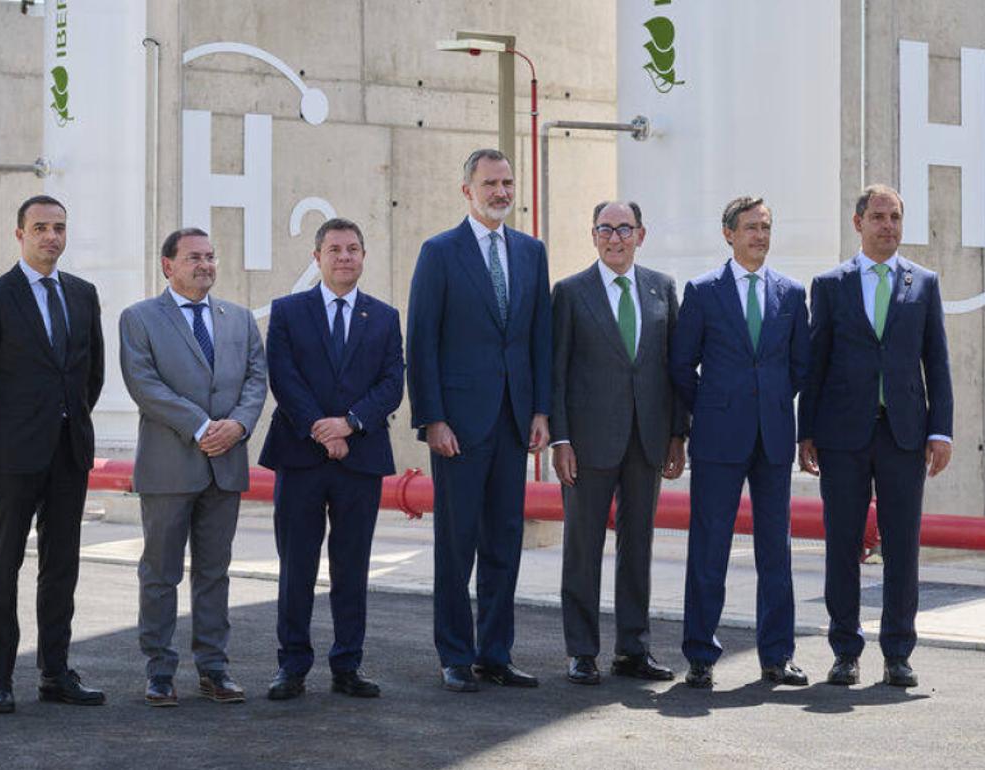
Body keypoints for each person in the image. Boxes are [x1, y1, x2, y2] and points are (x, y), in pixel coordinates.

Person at [407, 148, 552, 692]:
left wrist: (541, 410)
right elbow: (421, 341)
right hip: (459, 428)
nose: (501, 192)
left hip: (514, 420)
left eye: (507, 182)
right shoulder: (440, 252)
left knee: (504, 544)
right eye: (490, 183)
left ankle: (496, 653)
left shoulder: (531, 252)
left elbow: (540, 337)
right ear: (467, 190)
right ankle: (454, 654)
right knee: (456, 544)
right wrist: (432, 418)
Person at [798, 184, 953, 688]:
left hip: (904, 435)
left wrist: (941, 430)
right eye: (879, 217)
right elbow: (816, 363)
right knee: (843, 544)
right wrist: (806, 432)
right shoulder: (830, 285)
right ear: (858, 223)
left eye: (895, 218)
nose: (888, 226)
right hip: (842, 435)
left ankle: (898, 653)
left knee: (902, 547)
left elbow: (937, 363)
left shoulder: (923, 283)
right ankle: (845, 650)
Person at [0, 195, 105, 712]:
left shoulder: (83, 294)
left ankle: (55, 673)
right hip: (12, 456)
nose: (51, 236)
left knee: (61, 567)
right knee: (5, 565)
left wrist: (71, 421)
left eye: (59, 227)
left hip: (69, 452)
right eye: (40, 227)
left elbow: (91, 374)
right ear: (19, 234)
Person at [119, 227, 266, 706]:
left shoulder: (239, 319)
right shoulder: (139, 318)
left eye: (210, 256)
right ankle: (160, 671)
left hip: (226, 464)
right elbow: (144, 384)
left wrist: (238, 426)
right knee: (160, 574)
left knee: (214, 572)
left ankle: (214, 668)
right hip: (169, 467)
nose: (205, 265)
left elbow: (256, 380)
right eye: (193, 257)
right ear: (168, 265)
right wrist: (202, 426)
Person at [259, 218, 404, 701]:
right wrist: (321, 428)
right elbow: (283, 376)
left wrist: (350, 424)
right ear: (316, 257)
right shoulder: (288, 311)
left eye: (353, 249)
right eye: (335, 249)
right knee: (296, 567)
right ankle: (291, 665)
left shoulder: (383, 317)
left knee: (352, 568)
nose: (345, 257)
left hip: (360, 458)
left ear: (363, 256)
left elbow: (392, 383)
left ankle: (347, 664)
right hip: (300, 455)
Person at [669, 196, 811, 688]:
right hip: (718, 437)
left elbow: (800, 366)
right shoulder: (703, 291)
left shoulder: (791, 293)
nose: (760, 236)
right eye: (751, 227)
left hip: (773, 437)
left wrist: (771, 401)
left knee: (776, 552)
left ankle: (777, 655)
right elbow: (681, 366)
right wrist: (713, 406)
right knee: (709, 548)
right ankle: (700, 655)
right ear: (729, 234)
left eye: (766, 227)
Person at [550, 201, 686, 686]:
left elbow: (674, 368)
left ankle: (633, 649)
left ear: (640, 235)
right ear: (593, 235)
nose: (615, 238)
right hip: (587, 443)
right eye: (605, 229)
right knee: (582, 546)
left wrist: (677, 433)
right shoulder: (570, 293)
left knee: (639, 546)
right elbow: (557, 371)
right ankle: (582, 651)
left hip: (647, 439)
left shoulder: (662, 288)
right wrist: (561, 439)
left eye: (624, 229)